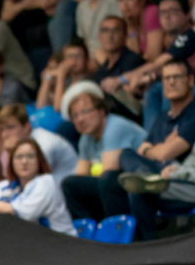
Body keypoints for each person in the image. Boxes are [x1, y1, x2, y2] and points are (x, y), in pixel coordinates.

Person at [120, 86, 195, 239]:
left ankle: (149, 247)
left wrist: (182, 173)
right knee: (127, 156)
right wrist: (175, 169)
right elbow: (192, 162)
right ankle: (148, 248)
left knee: (142, 193)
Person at [0, 138, 76, 234]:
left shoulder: (45, 182)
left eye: (30, 156)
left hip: (62, 244)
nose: (24, 162)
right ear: (11, 163)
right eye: (19, 157)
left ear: (39, 160)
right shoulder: (10, 187)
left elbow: (15, 212)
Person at [61, 88, 147, 222]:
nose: (80, 119)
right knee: (69, 185)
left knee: (107, 181)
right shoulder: (86, 138)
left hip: (141, 182)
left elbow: (109, 172)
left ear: (101, 111)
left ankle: (116, 229)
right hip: (112, 186)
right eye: (75, 116)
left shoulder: (115, 127)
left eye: (85, 111)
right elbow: (81, 176)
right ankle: (88, 231)